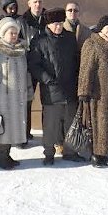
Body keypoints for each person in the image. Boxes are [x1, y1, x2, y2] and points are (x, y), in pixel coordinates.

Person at [28, 8, 84, 165]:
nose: (58, 27)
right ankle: (49, 153)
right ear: (48, 24)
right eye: (55, 24)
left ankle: (70, 151)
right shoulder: (39, 41)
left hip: (69, 87)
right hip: (51, 90)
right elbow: (34, 64)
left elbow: (75, 60)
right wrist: (46, 79)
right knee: (51, 124)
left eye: (60, 23)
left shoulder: (69, 38)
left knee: (70, 122)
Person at [0, 17, 33, 169]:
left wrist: (29, 92)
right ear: (3, 33)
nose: (14, 35)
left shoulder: (21, 50)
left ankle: (7, 155)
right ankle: (2, 158)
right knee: (3, 128)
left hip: (18, 96)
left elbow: (26, 73)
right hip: (2, 97)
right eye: (10, 33)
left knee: (14, 127)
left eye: (15, 33)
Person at [77, 14, 108, 168]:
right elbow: (86, 69)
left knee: (106, 125)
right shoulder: (91, 44)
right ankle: (95, 155)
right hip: (96, 93)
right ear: (101, 28)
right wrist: (84, 91)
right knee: (96, 124)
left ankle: (103, 153)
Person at [19, 0, 47, 141]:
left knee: (47, 101)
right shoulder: (22, 22)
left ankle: (48, 132)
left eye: (40, 2)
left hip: (46, 66)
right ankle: (25, 133)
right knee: (26, 101)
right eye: (35, 2)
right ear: (28, 3)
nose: (38, 5)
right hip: (28, 67)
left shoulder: (48, 20)